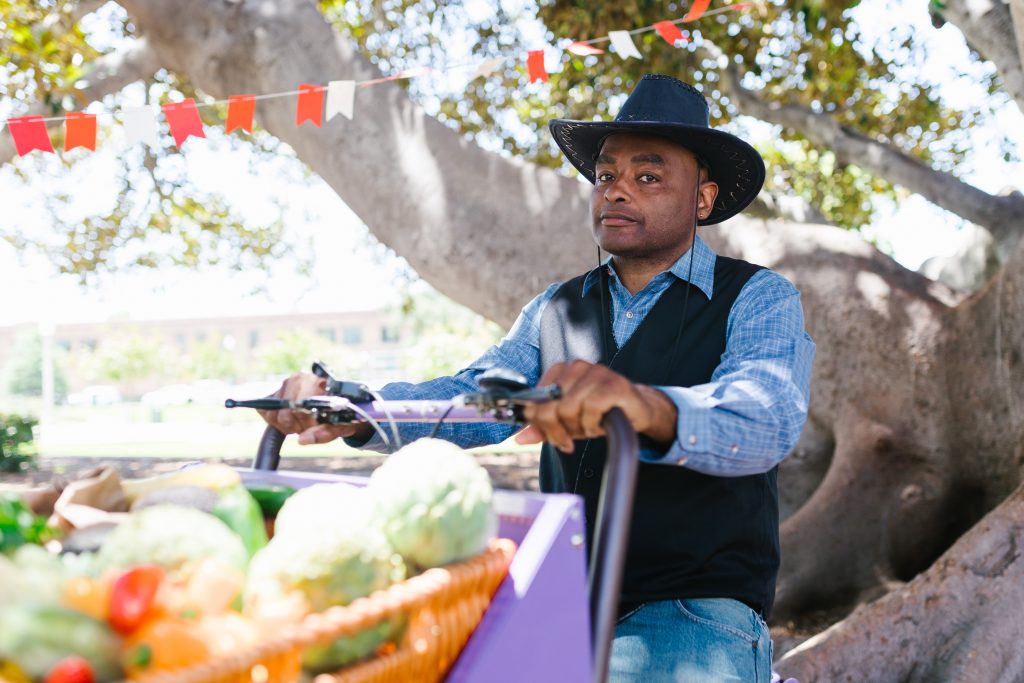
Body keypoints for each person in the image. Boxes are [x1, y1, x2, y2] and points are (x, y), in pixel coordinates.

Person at [262, 74, 815, 682]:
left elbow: (767, 414)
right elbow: (475, 398)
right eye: (606, 176)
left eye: (648, 177)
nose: (617, 192)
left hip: (691, 611)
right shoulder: (558, 307)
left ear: (703, 200)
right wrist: (351, 407)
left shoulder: (758, 297)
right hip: (558, 593)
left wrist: (643, 404)